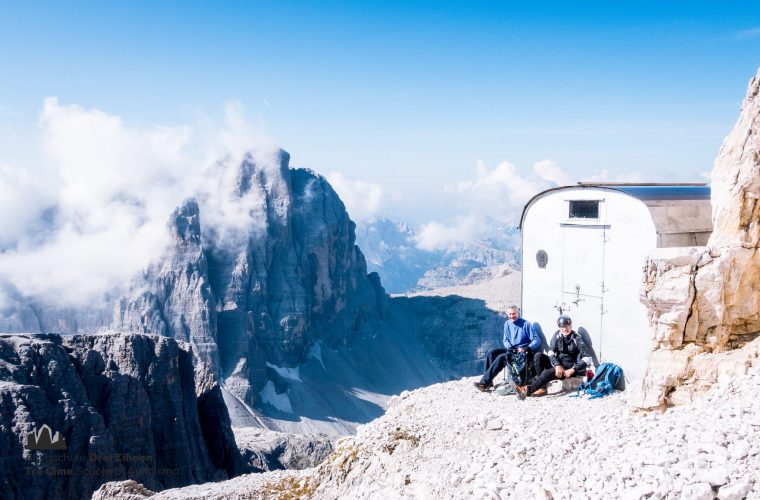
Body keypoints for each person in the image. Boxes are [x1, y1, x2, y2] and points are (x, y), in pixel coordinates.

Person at [514, 315, 591, 399]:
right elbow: (550, 351)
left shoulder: (577, 338)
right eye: (562, 328)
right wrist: (557, 365)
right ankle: (543, 387)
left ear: (571, 326)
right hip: (558, 365)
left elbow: (587, 358)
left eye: (566, 327)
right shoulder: (557, 335)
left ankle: (526, 391)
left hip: (568, 369)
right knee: (538, 356)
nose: (564, 329)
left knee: (546, 373)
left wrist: (573, 369)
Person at [474, 305, 542, 392]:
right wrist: (508, 346)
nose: (511, 316)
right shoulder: (507, 323)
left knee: (502, 357)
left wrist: (526, 348)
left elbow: (537, 340)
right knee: (491, 353)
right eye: (509, 314)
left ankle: (484, 383)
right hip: (511, 349)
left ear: (518, 313)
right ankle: (489, 382)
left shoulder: (526, 324)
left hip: (521, 352)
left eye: (514, 314)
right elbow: (505, 339)